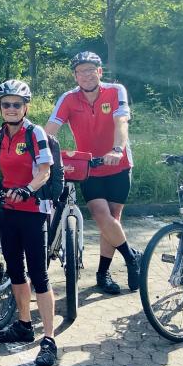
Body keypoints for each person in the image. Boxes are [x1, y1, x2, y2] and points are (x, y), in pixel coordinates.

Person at [44, 51, 139, 295]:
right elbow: (51, 129)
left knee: (113, 219)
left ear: (100, 72)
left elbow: (122, 122)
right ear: (75, 76)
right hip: (90, 167)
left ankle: (102, 274)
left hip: (119, 164)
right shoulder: (69, 98)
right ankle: (131, 258)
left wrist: (117, 149)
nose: (86, 75)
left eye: (90, 70)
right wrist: (41, 152)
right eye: (80, 71)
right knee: (100, 214)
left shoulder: (116, 90)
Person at [0, 79, 59, 366]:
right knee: (16, 272)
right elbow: (0, 173)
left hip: (32, 211)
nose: (11, 108)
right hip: (8, 210)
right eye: (6, 104)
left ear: (25, 107)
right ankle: (24, 324)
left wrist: (27, 190)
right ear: (0, 107)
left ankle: (50, 339)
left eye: (17, 104)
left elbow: (44, 171)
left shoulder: (35, 133)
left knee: (39, 275)